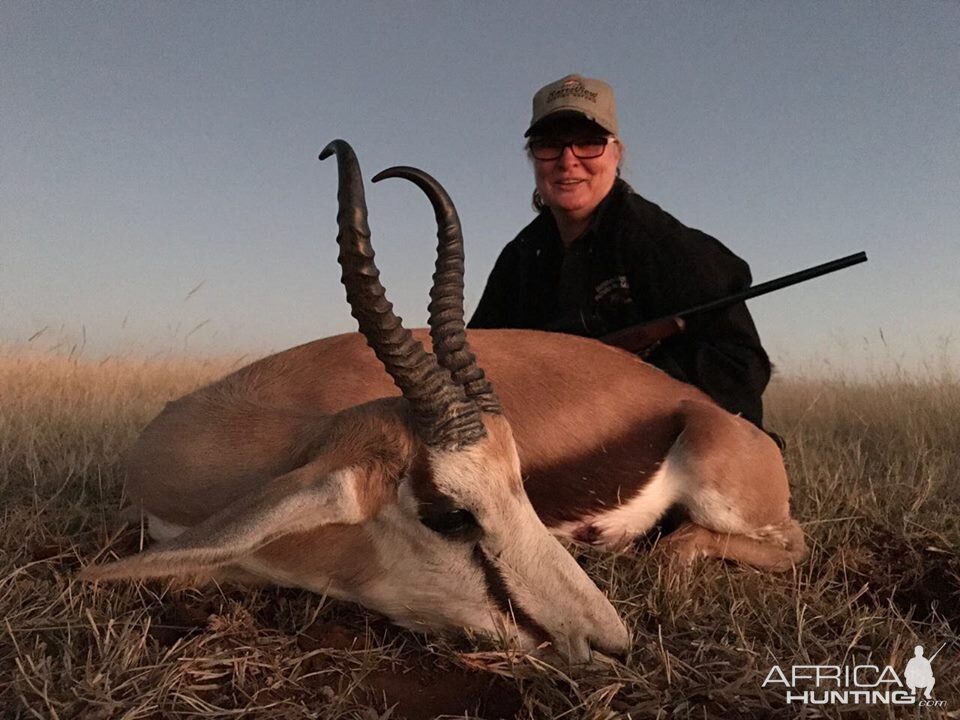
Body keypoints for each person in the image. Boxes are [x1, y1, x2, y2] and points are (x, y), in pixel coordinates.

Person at [468, 74, 774, 430]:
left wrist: (618, 375)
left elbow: (742, 367)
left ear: (617, 154)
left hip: (654, 445)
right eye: (549, 144)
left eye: (589, 143)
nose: (568, 161)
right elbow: (479, 356)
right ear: (533, 158)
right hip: (551, 439)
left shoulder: (665, 246)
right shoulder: (521, 256)